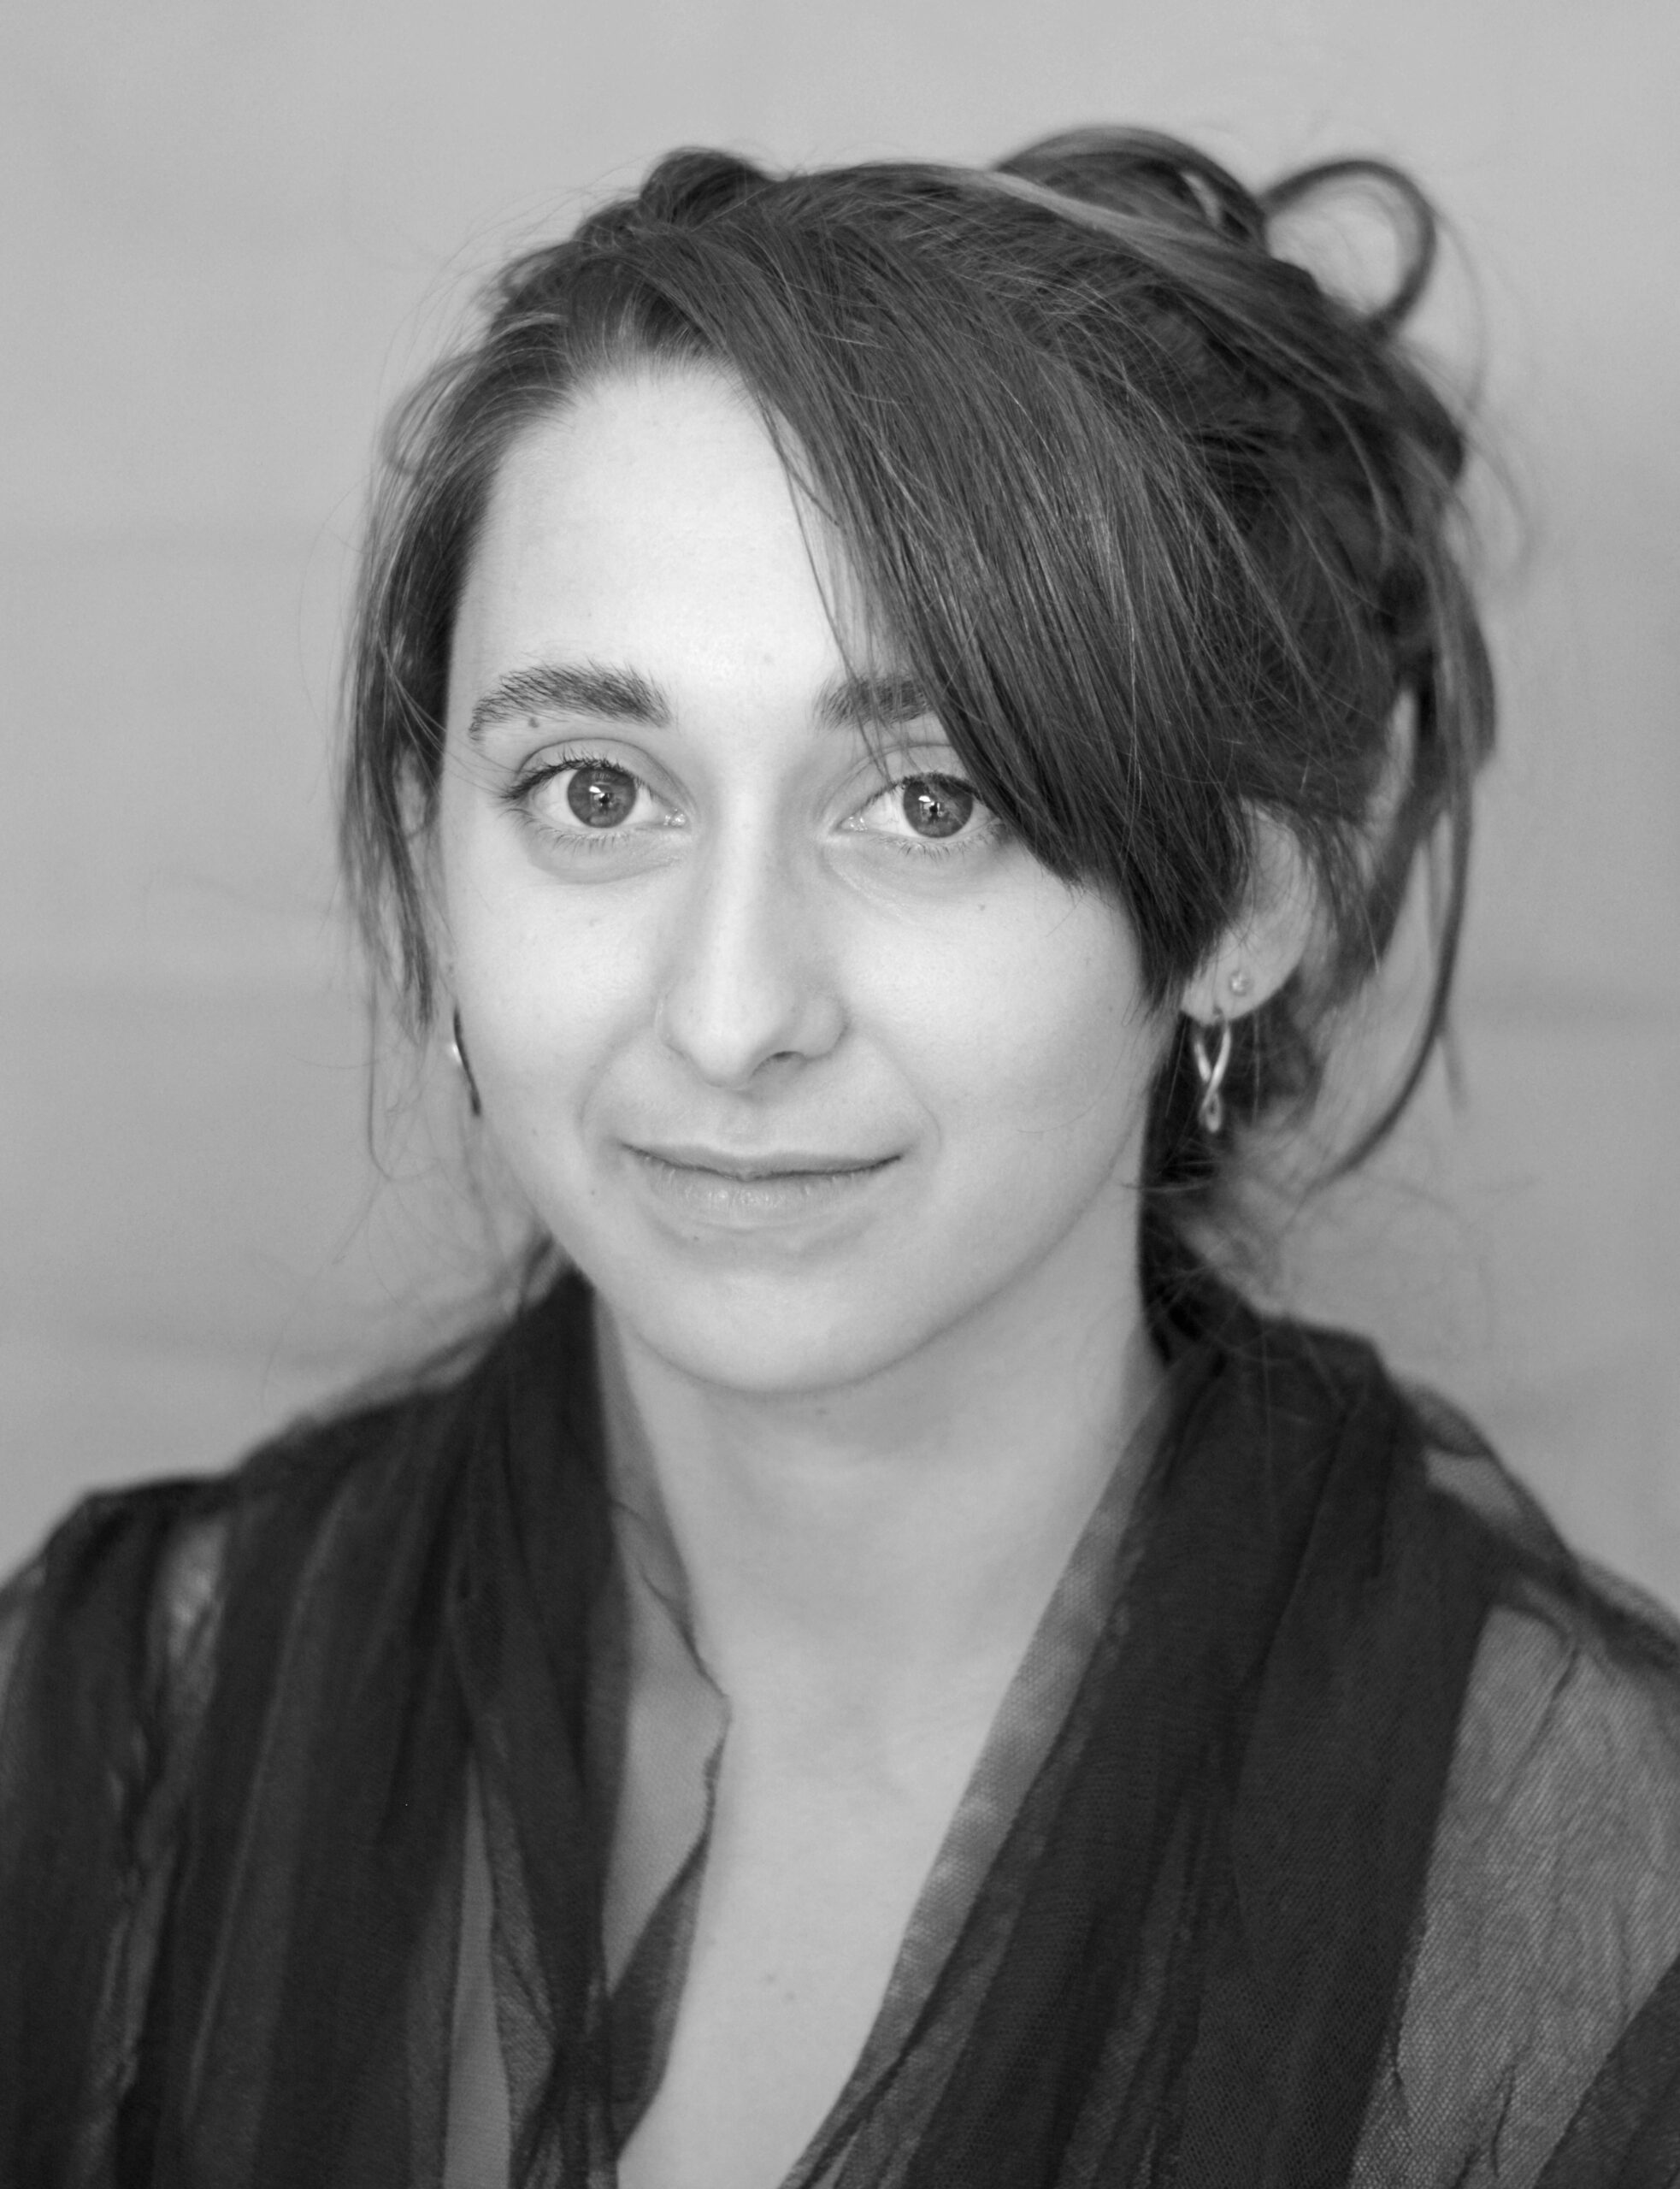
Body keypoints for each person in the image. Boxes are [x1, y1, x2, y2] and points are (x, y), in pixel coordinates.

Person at [3, 125, 1679, 2189]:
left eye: (928, 801)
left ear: (1242, 908)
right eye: (595, 788)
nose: (730, 1013)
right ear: (435, 870)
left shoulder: (1595, 1904)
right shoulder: (119, 1722)